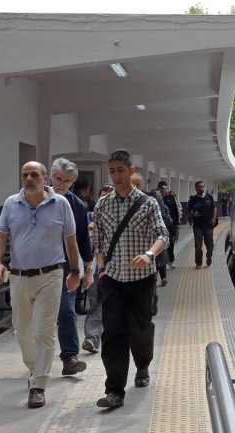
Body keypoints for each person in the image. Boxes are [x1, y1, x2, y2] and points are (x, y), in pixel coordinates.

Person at [0, 161, 81, 409]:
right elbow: (0, 236)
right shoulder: (11, 203)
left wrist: (76, 271)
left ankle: (39, 385)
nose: (29, 179)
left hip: (51, 274)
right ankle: (35, 368)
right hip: (19, 276)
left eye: (34, 174)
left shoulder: (61, 204)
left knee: (44, 330)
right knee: (22, 330)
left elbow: (70, 241)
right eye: (25, 175)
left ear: (44, 179)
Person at [93, 150, 168, 409]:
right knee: (113, 333)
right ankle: (114, 390)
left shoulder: (148, 203)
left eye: (120, 170)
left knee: (140, 328)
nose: (115, 176)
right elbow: (99, 241)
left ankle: (143, 364)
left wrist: (149, 254)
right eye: (112, 171)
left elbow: (162, 235)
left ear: (131, 170)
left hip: (141, 279)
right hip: (113, 278)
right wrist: (101, 268)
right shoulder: (102, 205)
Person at [49, 158, 93, 375]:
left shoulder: (76, 205)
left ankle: (70, 357)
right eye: (58, 179)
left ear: (72, 182)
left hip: (67, 266)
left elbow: (83, 238)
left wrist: (88, 269)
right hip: (37, 266)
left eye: (66, 181)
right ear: (51, 177)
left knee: (66, 311)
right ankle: (37, 361)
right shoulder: (36, 198)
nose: (61, 184)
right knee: (38, 318)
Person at [82, 184, 115, 354]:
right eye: (102, 196)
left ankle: (116, 339)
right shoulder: (89, 217)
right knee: (95, 302)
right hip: (96, 268)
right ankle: (92, 338)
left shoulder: (122, 217)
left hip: (118, 269)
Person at [131, 174, 173, 287]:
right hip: (144, 243)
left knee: (155, 259)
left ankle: (159, 279)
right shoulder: (152, 198)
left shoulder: (150, 199)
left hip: (149, 240)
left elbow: (163, 233)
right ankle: (160, 278)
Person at [186, 181, 217, 269]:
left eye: (202, 186)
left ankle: (209, 258)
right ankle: (198, 263)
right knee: (198, 246)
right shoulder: (193, 199)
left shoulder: (209, 197)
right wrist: (193, 214)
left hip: (208, 225)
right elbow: (189, 210)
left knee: (210, 245)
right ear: (196, 188)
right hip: (197, 226)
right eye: (199, 187)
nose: (201, 188)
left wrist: (214, 219)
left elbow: (214, 208)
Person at [157, 181, 180, 268]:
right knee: (161, 244)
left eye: (165, 188)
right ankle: (161, 263)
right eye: (162, 189)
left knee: (170, 243)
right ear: (159, 189)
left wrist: (177, 225)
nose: (164, 190)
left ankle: (170, 261)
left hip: (171, 225)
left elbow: (176, 211)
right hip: (160, 225)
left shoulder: (171, 197)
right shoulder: (156, 198)